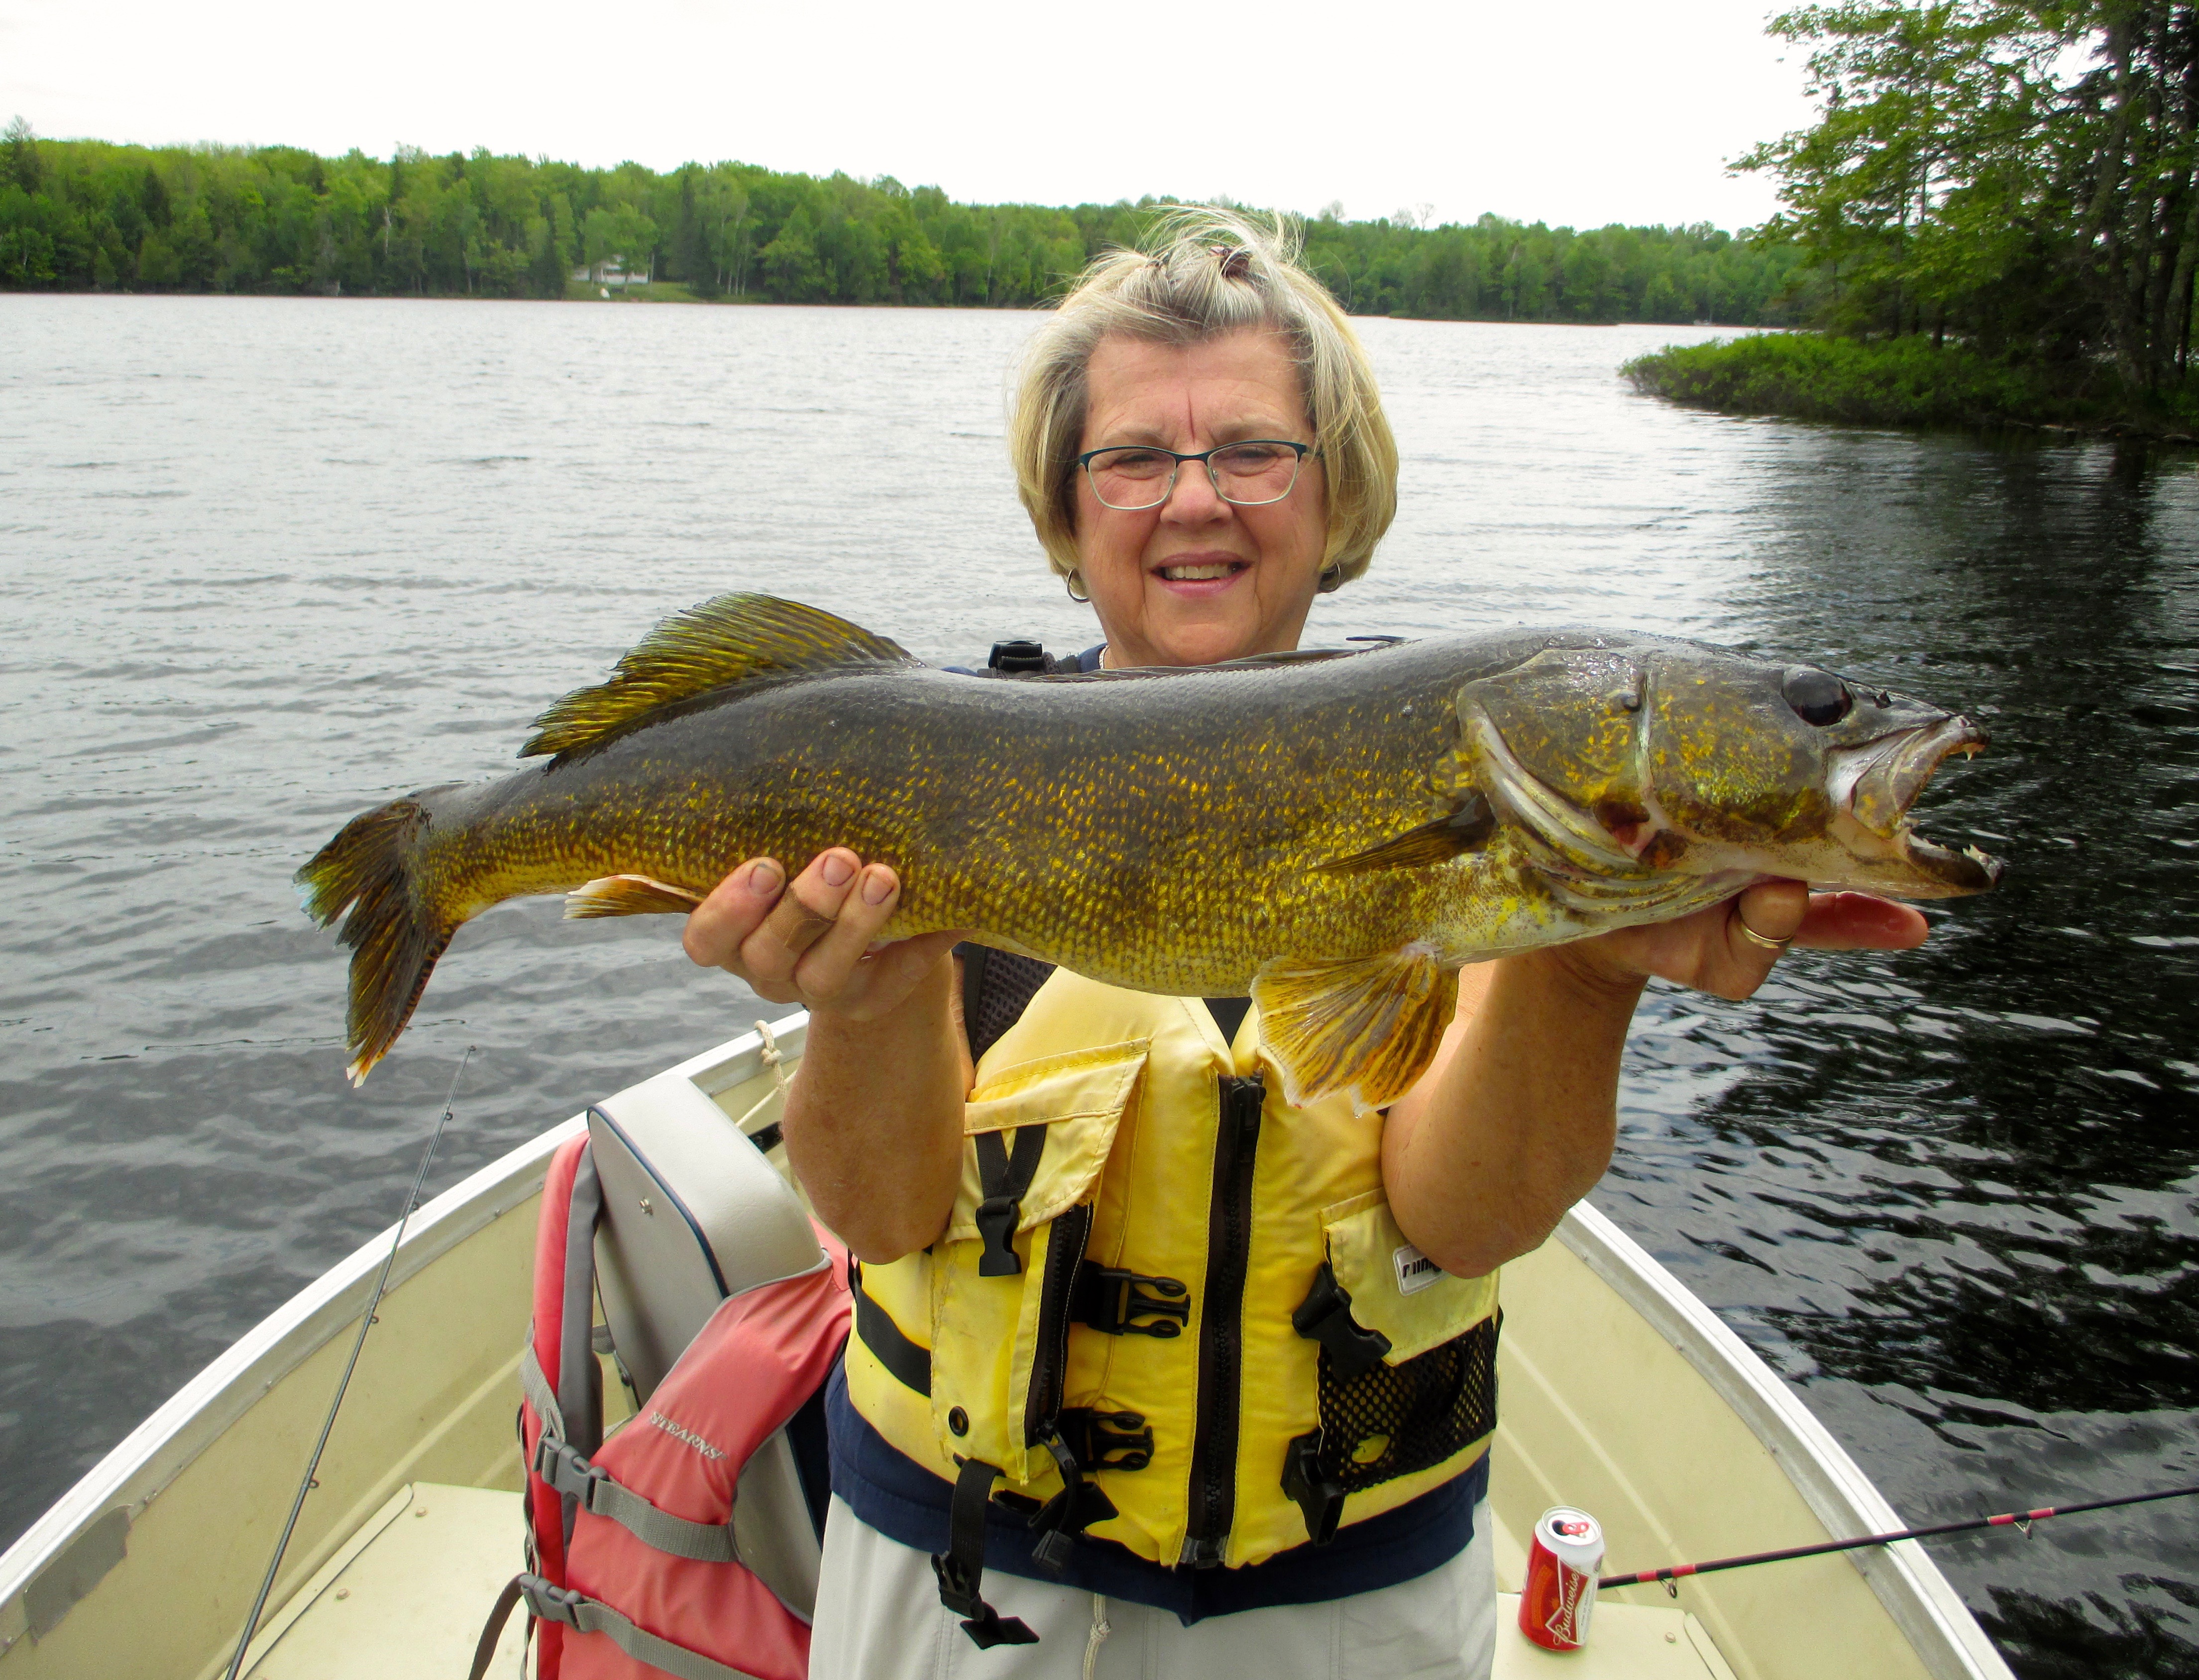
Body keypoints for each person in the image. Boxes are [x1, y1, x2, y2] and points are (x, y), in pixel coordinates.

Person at [681, 209, 1926, 1679]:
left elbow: (1458, 1225)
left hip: (1352, 1594)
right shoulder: (933, 776)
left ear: (1333, 500)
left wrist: (1587, 965)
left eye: (1253, 453)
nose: (1192, 501)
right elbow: (884, 1223)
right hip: (961, 1581)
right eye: (1134, 458)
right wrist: (870, 1000)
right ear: (1067, 510)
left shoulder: (1492, 778)